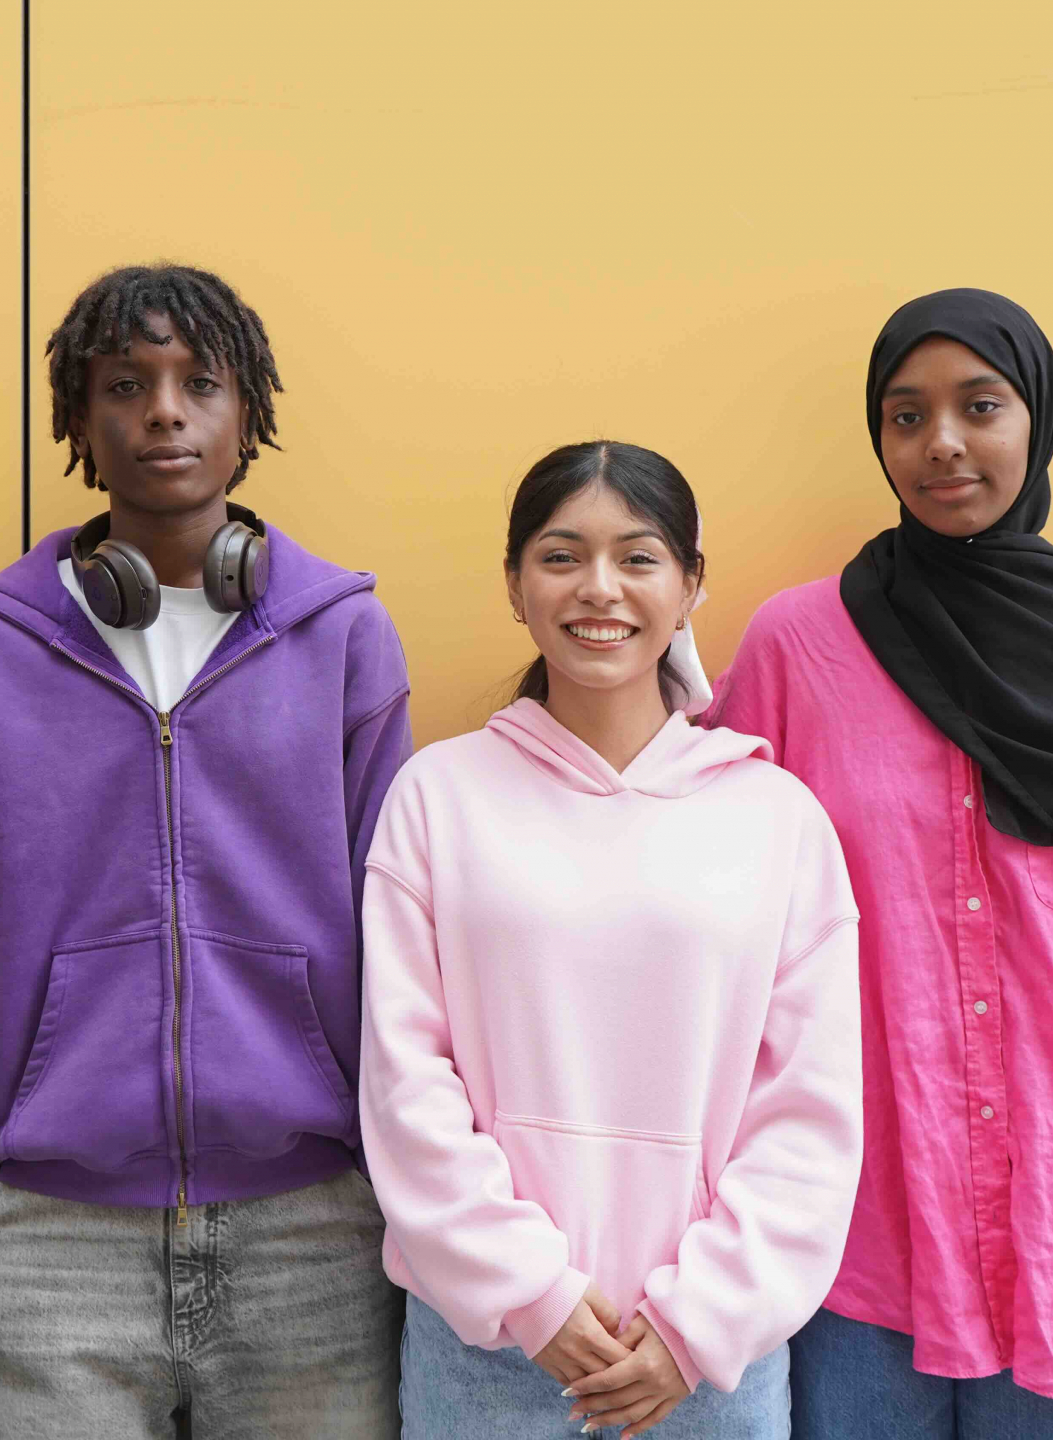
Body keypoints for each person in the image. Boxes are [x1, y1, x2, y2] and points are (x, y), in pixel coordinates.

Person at [715, 289, 1053, 1435]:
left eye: (978, 406)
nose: (940, 443)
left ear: (1035, 421)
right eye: (905, 416)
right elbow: (708, 889)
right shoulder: (799, 645)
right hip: (857, 1219)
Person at [0, 263, 414, 1437]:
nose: (164, 412)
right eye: (124, 385)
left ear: (250, 417)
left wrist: (381, 1161)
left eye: (200, 383)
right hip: (48, 1233)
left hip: (314, 1221)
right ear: (78, 423)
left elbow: (398, 918)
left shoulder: (341, 634)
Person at [360, 441, 863, 1439]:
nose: (600, 589)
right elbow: (404, 1082)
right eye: (561, 556)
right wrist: (530, 1294)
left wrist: (698, 1325)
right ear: (514, 584)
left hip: (707, 1364)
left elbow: (810, 1110)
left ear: (688, 587)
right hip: (486, 1350)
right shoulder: (437, 798)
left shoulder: (777, 819)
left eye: (637, 558)